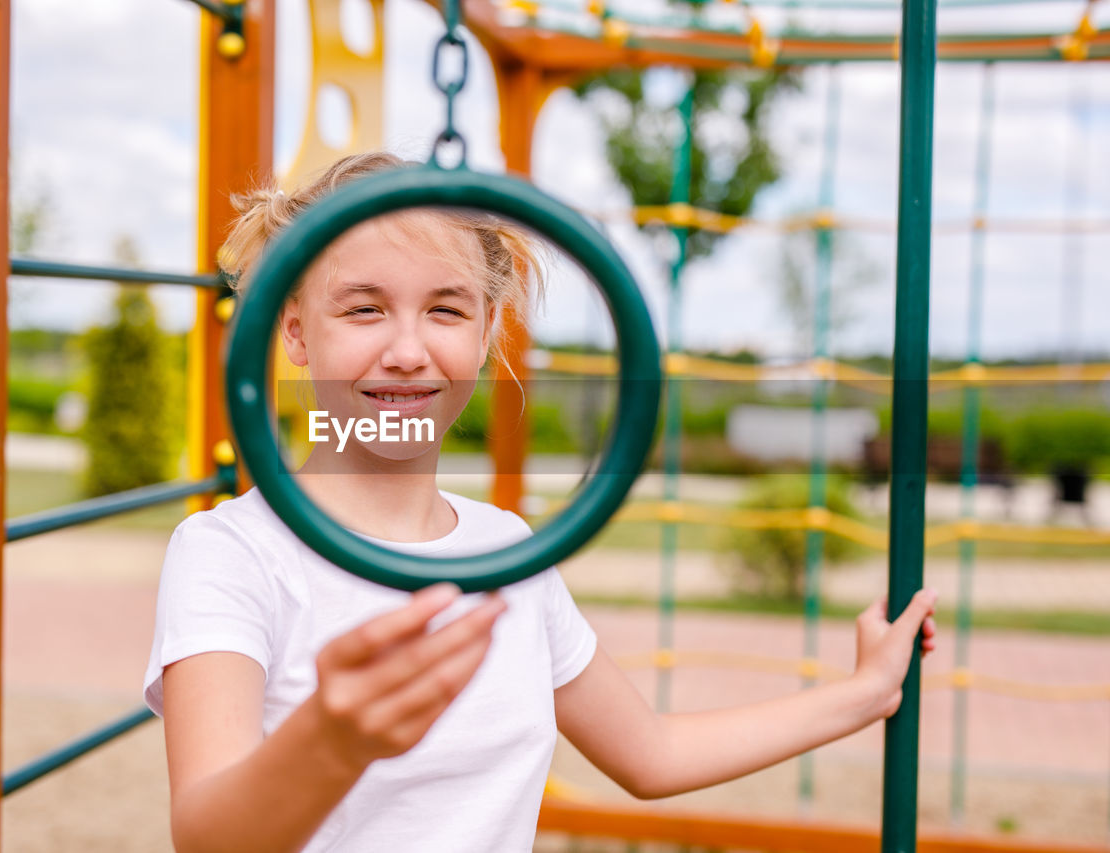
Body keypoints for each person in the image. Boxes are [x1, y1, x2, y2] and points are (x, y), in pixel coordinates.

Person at [143, 151, 938, 853]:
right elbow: (208, 837)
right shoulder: (233, 553)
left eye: (446, 308)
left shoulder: (507, 548)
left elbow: (651, 754)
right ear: (293, 331)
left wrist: (865, 692)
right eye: (364, 307)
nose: (410, 349)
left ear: (488, 331)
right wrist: (332, 738)